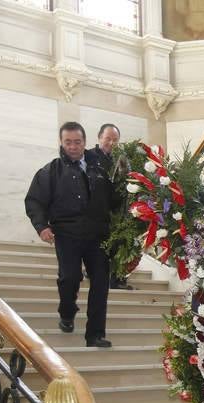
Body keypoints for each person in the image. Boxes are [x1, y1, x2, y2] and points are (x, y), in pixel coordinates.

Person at [24, 121, 119, 348]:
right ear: (61, 142)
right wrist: (42, 226)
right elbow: (34, 200)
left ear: (85, 142)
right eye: (68, 142)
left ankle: (95, 334)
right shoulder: (51, 171)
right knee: (69, 278)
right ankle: (67, 312)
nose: (73, 146)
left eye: (77, 142)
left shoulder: (101, 167)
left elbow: (115, 199)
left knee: (100, 282)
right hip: (67, 233)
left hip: (98, 235)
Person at [91, 123, 134, 291]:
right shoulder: (89, 157)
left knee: (118, 244)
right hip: (96, 213)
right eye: (108, 138)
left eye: (115, 140)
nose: (111, 143)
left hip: (116, 212)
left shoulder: (120, 159)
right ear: (100, 137)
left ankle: (116, 279)